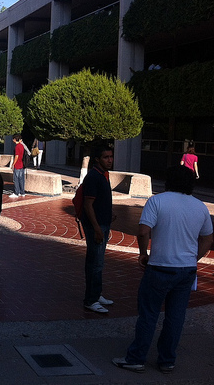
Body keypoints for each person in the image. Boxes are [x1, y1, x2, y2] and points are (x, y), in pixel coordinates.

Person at [113, 166, 213, 374]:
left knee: (149, 314)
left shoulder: (157, 201)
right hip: (186, 269)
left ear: (169, 181)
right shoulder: (200, 207)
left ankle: (136, 358)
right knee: (176, 316)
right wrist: (193, 258)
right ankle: (167, 360)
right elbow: (207, 239)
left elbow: (143, 231)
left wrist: (143, 254)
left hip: (160, 266)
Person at [80, 144, 115, 314]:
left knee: (98, 262)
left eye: (111, 156)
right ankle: (91, 300)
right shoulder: (94, 176)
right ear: (97, 159)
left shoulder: (104, 175)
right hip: (96, 226)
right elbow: (88, 205)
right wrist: (97, 228)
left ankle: (96, 293)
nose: (110, 160)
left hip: (103, 223)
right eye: (105, 157)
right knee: (95, 263)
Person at [8, 134, 26, 198]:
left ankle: (16, 193)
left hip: (17, 165)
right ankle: (22, 192)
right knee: (21, 179)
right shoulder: (22, 146)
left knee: (16, 179)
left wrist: (13, 164)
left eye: (13, 139)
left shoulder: (17, 147)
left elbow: (16, 156)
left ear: (15, 139)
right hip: (22, 164)